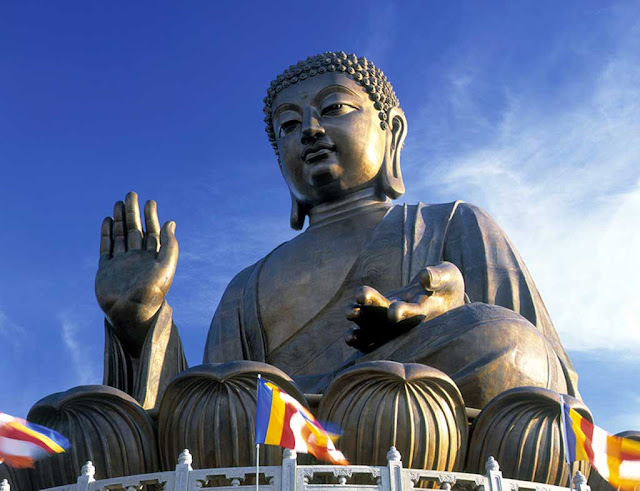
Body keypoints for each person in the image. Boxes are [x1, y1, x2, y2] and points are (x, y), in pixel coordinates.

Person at [89, 51, 585, 478]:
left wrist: (444, 311)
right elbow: (198, 414)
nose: (309, 129)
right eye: (288, 124)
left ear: (392, 130)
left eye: (334, 107)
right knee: (178, 405)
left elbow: (548, 379)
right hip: (281, 438)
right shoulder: (246, 287)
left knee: (504, 339)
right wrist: (138, 322)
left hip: (420, 426)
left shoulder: (452, 224)